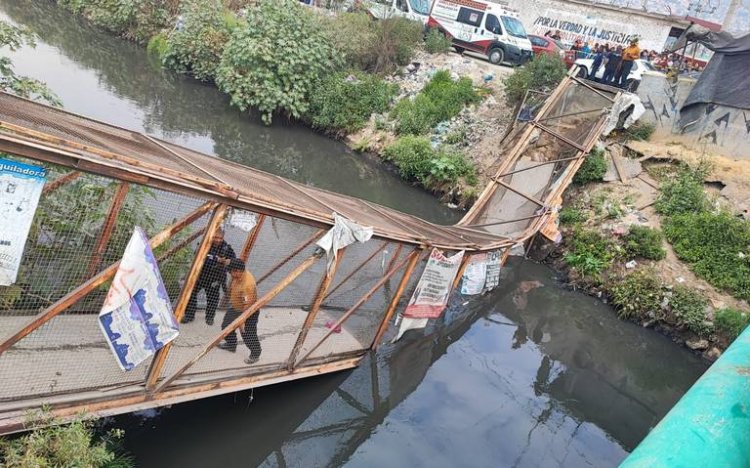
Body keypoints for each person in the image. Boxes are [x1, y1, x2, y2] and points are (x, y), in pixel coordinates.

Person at [183, 228, 236, 325]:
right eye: (215, 237)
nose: (217, 240)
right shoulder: (204, 244)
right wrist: (216, 259)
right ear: (211, 236)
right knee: (190, 294)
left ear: (223, 237)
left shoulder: (226, 248)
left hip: (215, 277)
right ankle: (189, 315)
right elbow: (200, 256)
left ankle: (210, 317)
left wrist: (227, 261)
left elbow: (233, 259)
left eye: (220, 238)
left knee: (213, 298)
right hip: (200, 275)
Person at [218, 259, 262, 364]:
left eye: (232, 272)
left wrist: (242, 321)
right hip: (236, 307)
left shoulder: (247, 285)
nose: (230, 274)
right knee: (226, 326)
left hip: (249, 311)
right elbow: (228, 261)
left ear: (238, 271)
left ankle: (255, 353)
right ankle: (231, 345)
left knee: (247, 334)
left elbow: (247, 305)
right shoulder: (237, 274)